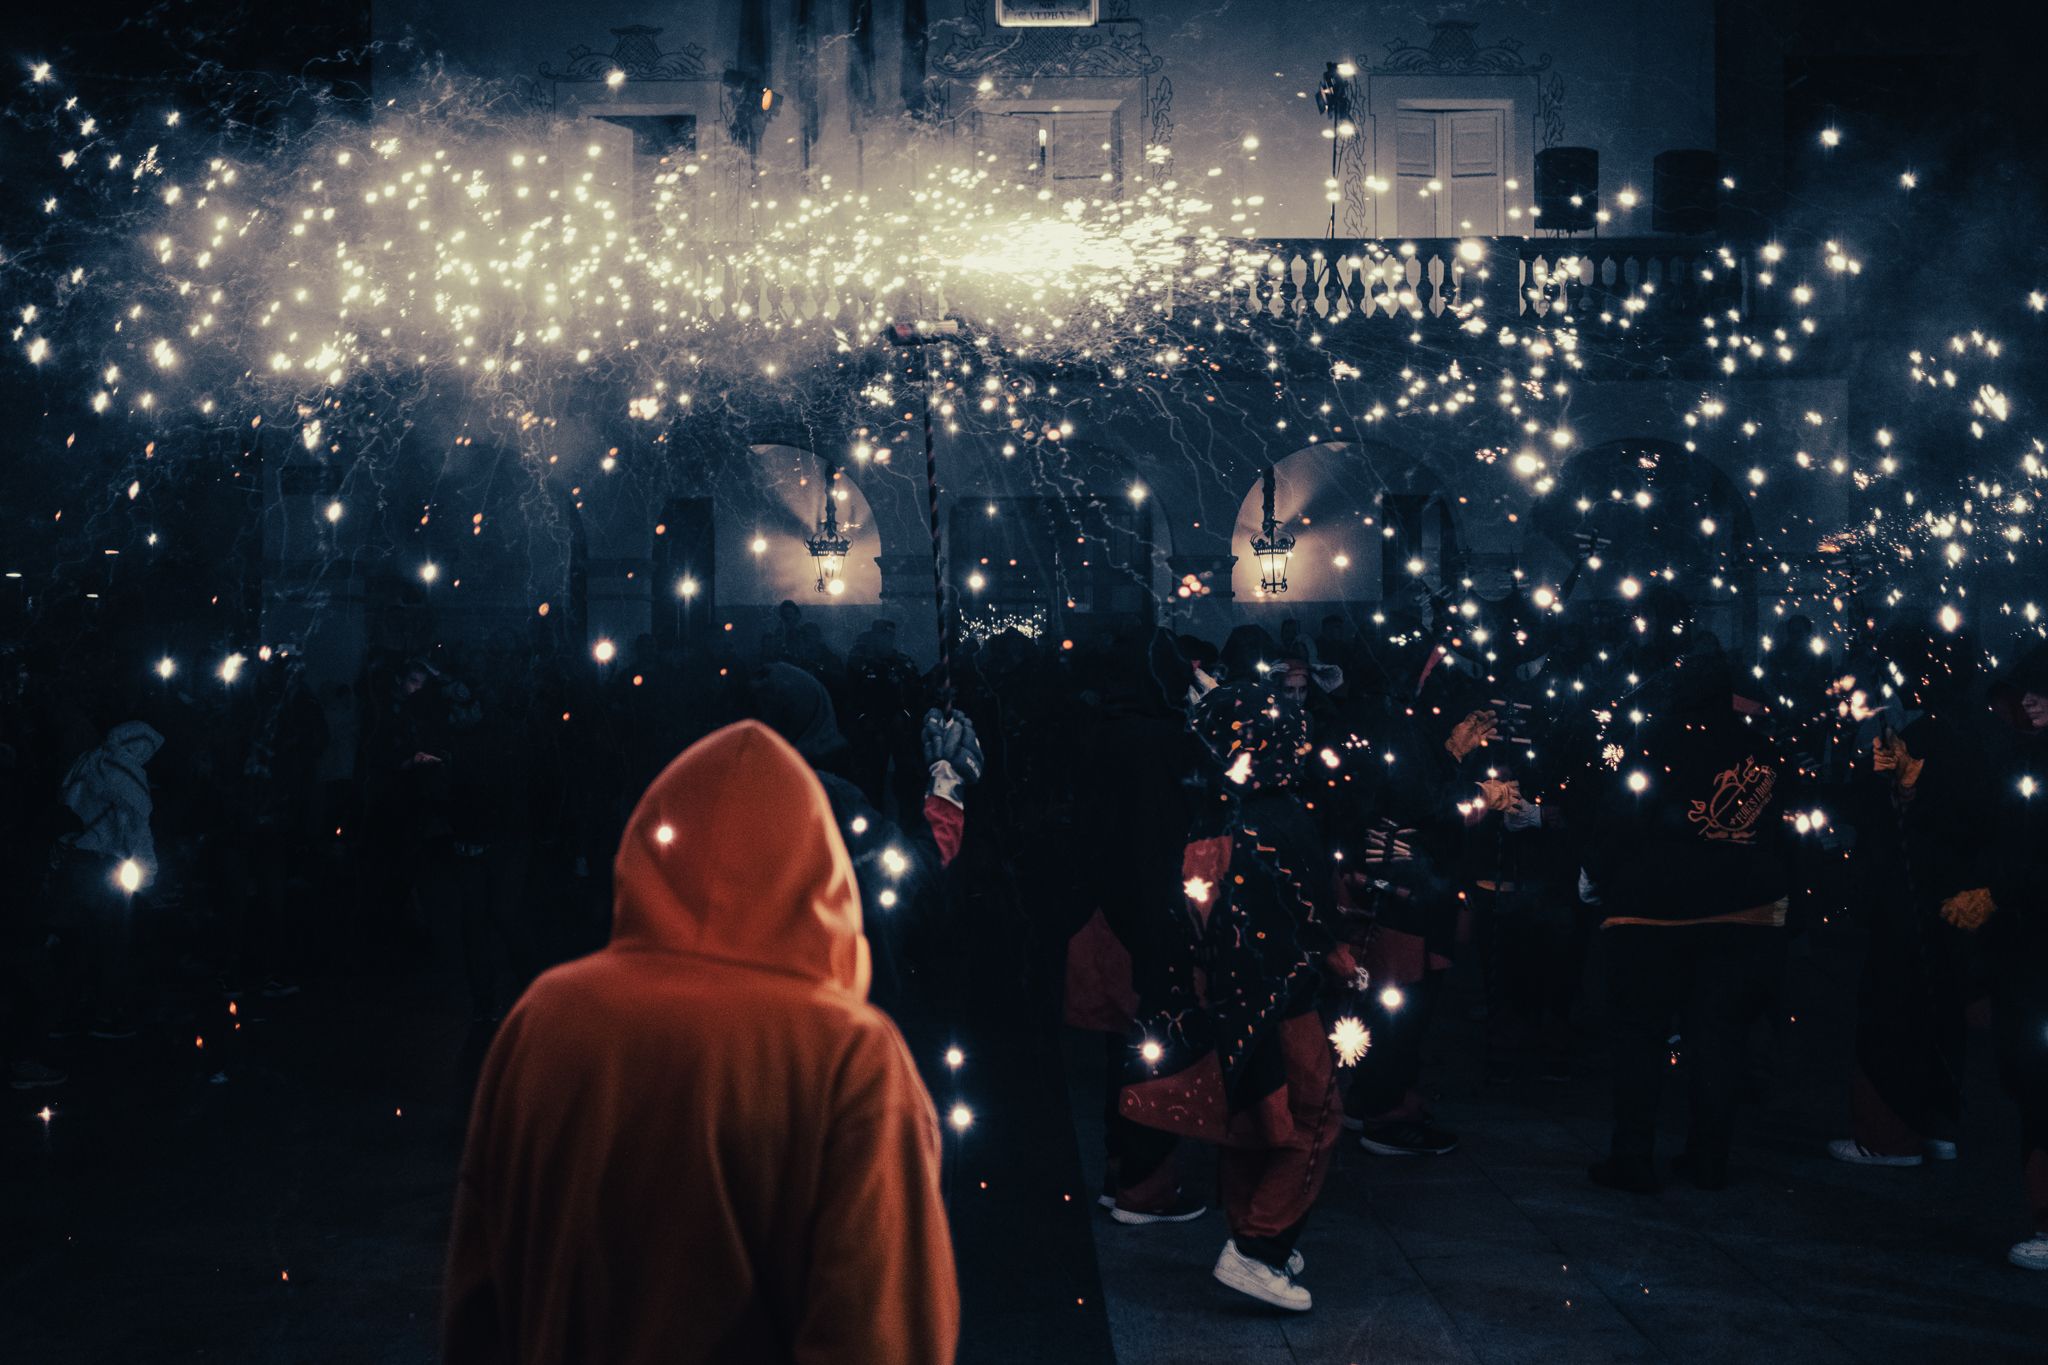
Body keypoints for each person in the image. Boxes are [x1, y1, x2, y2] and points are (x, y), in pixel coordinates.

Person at [444, 721, 958, 1364]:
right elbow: (884, 1335)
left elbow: (477, 1294)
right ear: (817, 864)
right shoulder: (849, 1057)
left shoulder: (545, 1017)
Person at [1120, 683, 1345, 1312]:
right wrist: (1339, 959)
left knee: (1256, 1123)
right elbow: (1309, 915)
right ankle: (1259, 1247)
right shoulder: (1282, 818)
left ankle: (1252, 1235)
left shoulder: (1215, 808)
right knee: (1313, 1118)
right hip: (1281, 997)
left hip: (1226, 999)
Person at [1581, 644, 1790, 1192]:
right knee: (1718, 1039)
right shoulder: (1760, 748)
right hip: (1741, 914)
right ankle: (1708, 1158)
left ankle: (1632, 1159)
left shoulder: (1654, 743)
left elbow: (1622, 815)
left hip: (1654, 915)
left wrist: (1597, 874)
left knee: (1641, 1037)